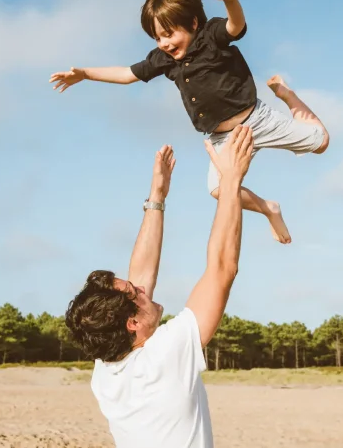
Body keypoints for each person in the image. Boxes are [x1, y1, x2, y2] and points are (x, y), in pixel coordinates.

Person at [49, 0, 330, 245]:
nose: (165, 44)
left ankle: (288, 96)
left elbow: (236, 25)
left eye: (169, 34)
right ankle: (270, 208)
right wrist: (85, 73)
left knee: (321, 143)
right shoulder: (164, 59)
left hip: (257, 119)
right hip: (223, 138)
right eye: (158, 38)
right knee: (219, 191)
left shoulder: (211, 36)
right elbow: (126, 74)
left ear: (194, 22)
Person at [64, 125, 254, 448]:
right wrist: (231, 180)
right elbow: (222, 269)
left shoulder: (106, 371)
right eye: (134, 293)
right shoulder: (164, 356)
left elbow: (139, 276)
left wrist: (157, 198)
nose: (141, 288)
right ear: (132, 324)